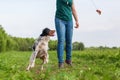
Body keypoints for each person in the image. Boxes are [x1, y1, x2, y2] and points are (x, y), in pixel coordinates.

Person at [55, 0, 79, 68]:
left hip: (69, 21)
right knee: (61, 40)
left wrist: (77, 21)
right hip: (59, 20)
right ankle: (61, 62)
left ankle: (68, 60)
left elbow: (73, 10)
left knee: (69, 41)